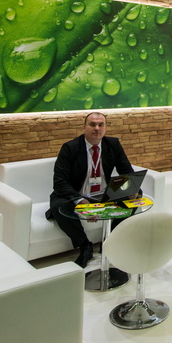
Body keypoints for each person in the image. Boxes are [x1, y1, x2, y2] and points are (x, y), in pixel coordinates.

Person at [48, 111, 136, 268]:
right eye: (92, 124)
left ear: (105, 128)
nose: (97, 128)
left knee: (137, 195)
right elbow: (60, 182)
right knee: (58, 206)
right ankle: (85, 246)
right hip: (78, 193)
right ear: (84, 127)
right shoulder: (70, 148)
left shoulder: (113, 144)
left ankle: (108, 241)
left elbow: (127, 171)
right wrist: (81, 201)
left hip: (104, 193)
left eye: (101, 125)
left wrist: (132, 188)